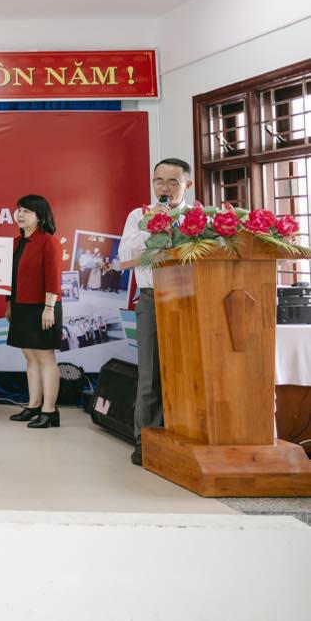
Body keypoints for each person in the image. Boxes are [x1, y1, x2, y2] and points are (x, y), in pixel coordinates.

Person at [117, 158, 192, 465]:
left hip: (190, 299)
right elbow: (125, 258)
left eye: (173, 182)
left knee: (187, 372)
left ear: (187, 185)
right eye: (159, 181)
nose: (165, 188)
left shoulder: (197, 218)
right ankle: (144, 439)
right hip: (151, 298)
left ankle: (184, 434)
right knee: (149, 373)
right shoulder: (139, 216)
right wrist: (152, 226)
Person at [5, 194, 64, 429]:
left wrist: (49, 308)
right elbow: (10, 277)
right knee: (30, 356)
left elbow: (53, 278)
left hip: (43, 307)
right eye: (19, 210)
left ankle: (50, 411)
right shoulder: (16, 243)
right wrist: (9, 303)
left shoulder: (48, 242)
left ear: (40, 216)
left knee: (45, 357)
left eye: (26, 211)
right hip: (21, 306)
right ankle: (33, 405)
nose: (20, 214)